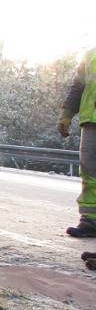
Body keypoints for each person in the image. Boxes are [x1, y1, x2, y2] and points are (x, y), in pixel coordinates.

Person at [58, 47, 96, 237]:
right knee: (89, 172)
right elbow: (78, 87)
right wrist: (66, 115)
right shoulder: (91, 54)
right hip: (91, 122)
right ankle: (90, 221)